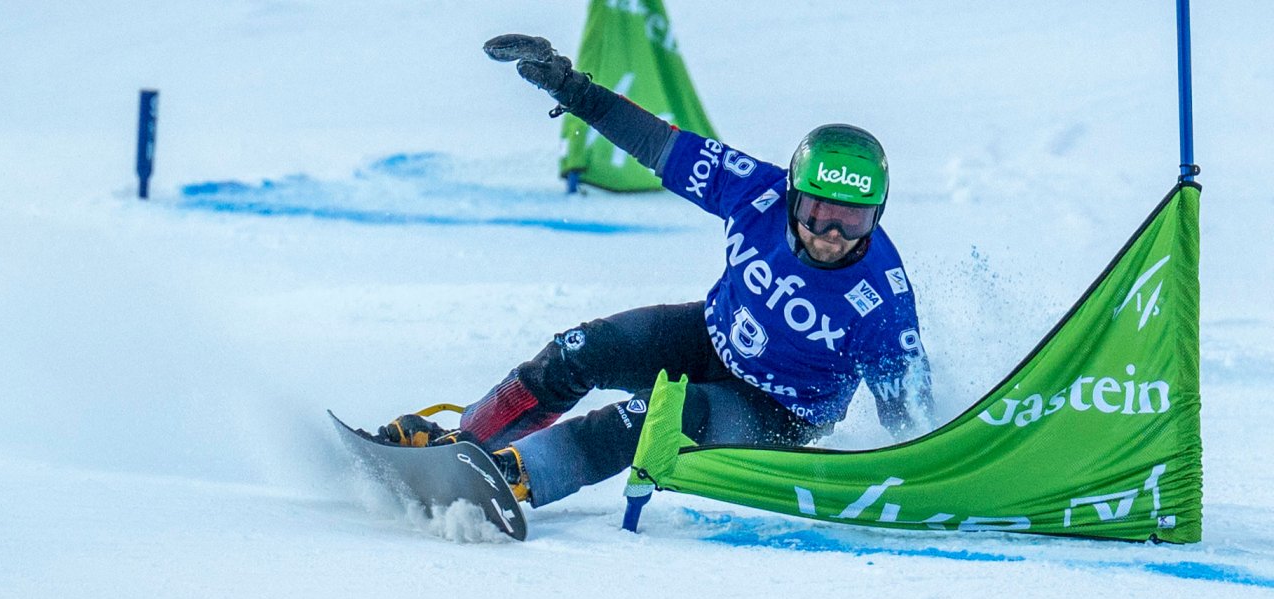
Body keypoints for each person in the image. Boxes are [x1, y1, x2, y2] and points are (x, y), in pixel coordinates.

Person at [376, 34, 935, 507]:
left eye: (853, 222)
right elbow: (656, 144)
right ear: (791, 196)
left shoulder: (881, 300)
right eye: (818, 214)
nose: (831, 237)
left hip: (776, 415)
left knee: (652, 419)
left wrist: (938, 482)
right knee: (581, 348)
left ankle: (511, 478)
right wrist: (570, 88)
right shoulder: (754, 191)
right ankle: (461, 440)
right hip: (713, 337)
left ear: (877, 216)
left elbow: (917, 430)